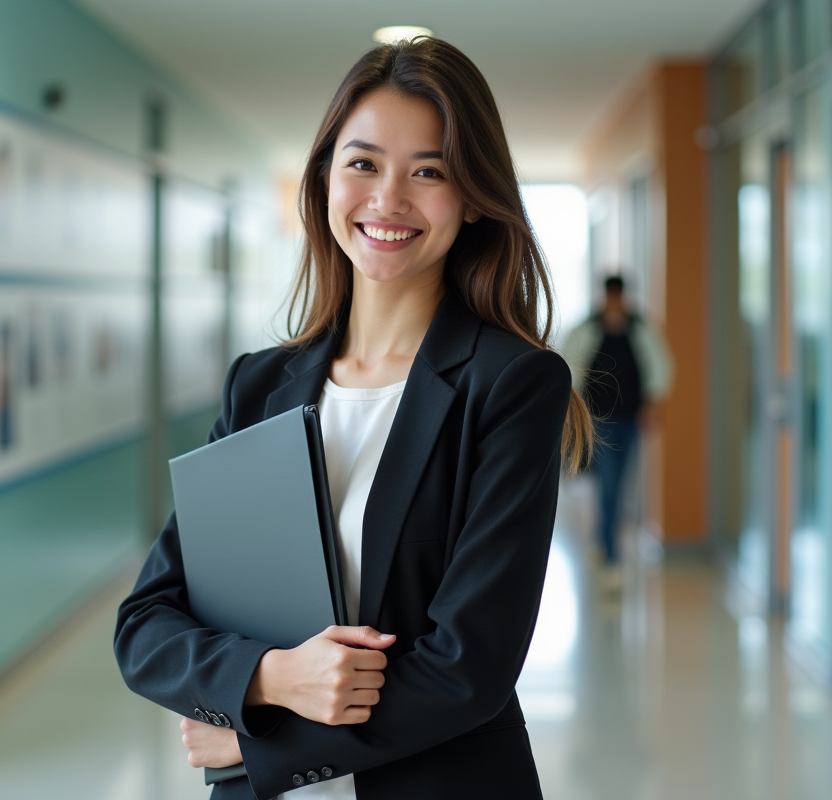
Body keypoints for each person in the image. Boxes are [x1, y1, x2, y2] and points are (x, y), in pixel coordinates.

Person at [114, 37, 592, 799]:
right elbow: (146, 626)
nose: (388, 199)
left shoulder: (512, 384)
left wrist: (251, 745)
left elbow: (469, 666)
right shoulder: (259, 385)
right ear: (326, 178)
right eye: (363, 163)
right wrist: (271, 676)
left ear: (472, 198)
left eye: (428, 171)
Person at [563, 275, 672, 591]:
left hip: (630, 420)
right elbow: (571, 366)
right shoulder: (588, 329)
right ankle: (612, 558)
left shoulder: (640, 329)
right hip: (599, 420)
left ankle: (601, 537)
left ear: (623, 297)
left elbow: (659, 367)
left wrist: (653, 405)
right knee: (609, 484)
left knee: (619, 484)